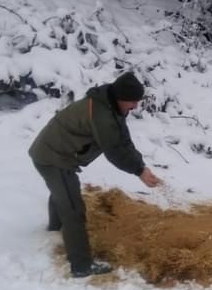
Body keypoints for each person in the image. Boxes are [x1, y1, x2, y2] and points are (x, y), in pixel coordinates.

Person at [29, 71, 162, 277]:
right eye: (132, 102)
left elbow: (123, 139)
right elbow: (114, 149)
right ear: (121, 97)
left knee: (61, 191)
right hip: (54, 158)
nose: (135, 107)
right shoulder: (101, 114)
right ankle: (81, 266)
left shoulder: (110, 105)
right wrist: (139, 172)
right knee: (73, 208)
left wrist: (141, 165)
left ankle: (55, 229)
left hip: (56, 153)